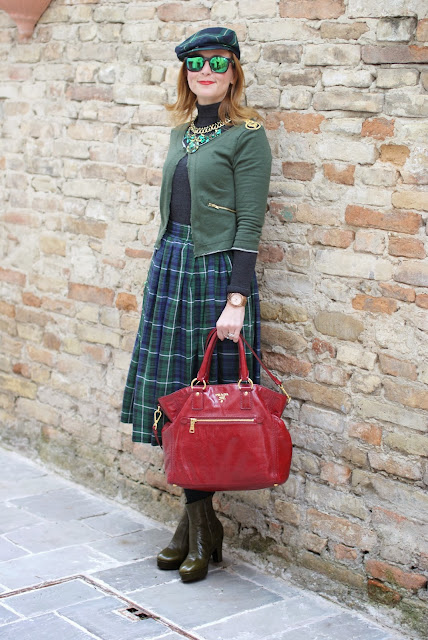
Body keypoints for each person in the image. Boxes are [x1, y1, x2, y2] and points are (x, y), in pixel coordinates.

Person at [121, 27, 272, 583]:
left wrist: (236, 299)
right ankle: (199, 526)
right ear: (185, 73)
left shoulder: (247, 136)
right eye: (194, 65)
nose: (204, 73)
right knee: (176, 398)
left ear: (233, 72)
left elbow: (250, 224)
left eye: (216, 64)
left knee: (206, 398)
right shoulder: (181, 131)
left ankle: (196, 531)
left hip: (214, 274)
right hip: (171, 266)